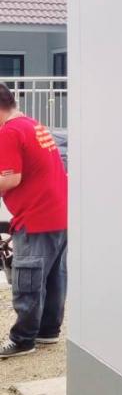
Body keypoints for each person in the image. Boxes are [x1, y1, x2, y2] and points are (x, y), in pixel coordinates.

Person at [0, 83, 67, 358]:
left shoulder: (9, 131)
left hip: (36, 216)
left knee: (27, 279)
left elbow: (10, 178)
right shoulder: (32, 125)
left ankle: (23, 339)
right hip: (58, 213)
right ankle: (48, 330)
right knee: (53, 277)